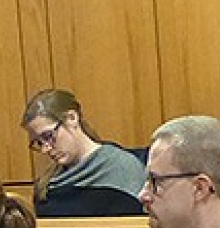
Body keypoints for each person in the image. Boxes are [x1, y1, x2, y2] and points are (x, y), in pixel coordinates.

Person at [21, 89, 146, 217]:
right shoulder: (47, 183)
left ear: (72, 118)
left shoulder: (124, 168)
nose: (45, 149)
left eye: (48, 136)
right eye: (39, 143)